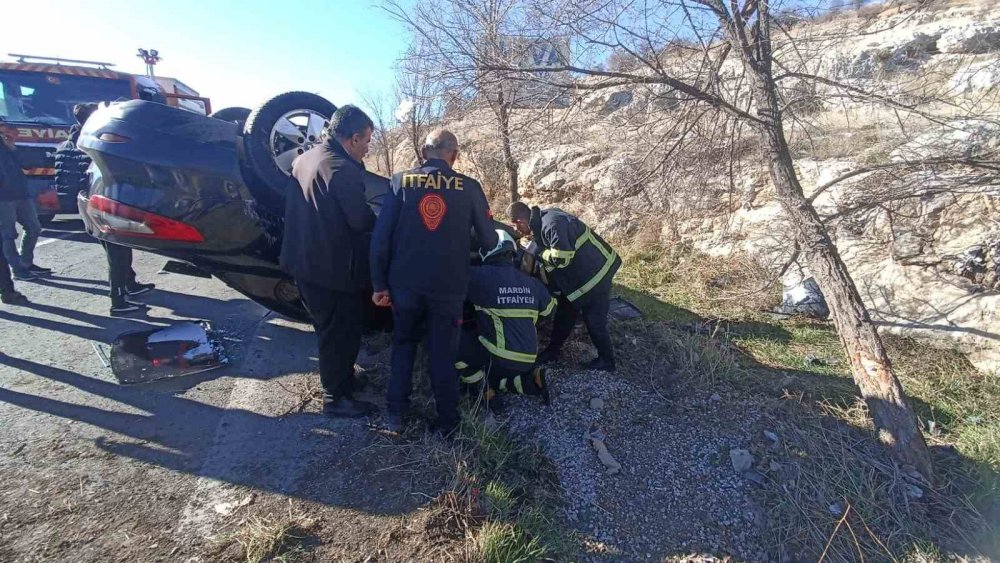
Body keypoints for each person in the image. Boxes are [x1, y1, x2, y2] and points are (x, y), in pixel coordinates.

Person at [370, 129, 498, 436]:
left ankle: (396, 414)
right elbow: (489, 240)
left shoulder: (400, 182)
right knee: (443, 352)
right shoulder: (468, 187)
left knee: (403, 344)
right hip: (448, 287)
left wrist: (379, 284)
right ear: (454, 155)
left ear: (424, 152)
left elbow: (380, 239)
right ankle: (447, 423)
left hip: (405, 285)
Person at [281, 105, 378, 419]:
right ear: (353, 139)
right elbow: (360, 221)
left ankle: (343, 380)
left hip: (305, 262)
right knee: (339, 333)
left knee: (331, 328)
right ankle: (335, 398)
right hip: (331, 270)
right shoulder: (342, 169)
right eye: (366, 141)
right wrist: (384, 223)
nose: (367, 148)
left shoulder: (306, 158)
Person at [55, 103, 154, 316]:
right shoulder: (94, 142)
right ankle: (118, 301)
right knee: (118, 253)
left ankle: (129, 284)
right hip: (101, 203)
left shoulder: (68, 143)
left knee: (117, 249)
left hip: (85, 201)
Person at [508, 202, 621, 371]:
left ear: (520, 222)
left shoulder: (552, 224)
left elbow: (561, 259)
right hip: (580, 277)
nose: (518, 232)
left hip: (597, 274)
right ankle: (553, 351)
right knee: (564, 315)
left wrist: (537, 251)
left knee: (594, 320)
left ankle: (607, 361)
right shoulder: (542, 221)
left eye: (516, 228)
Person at [456, 229, 555, 412]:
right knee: (503, 376)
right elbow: (549, 310)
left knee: (453, 342)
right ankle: (530, 381)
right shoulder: (531, 283)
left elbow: (447, 283)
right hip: (528, 358)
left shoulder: (479, 276)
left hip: (499, 359)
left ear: (486, 251)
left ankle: (484, 392)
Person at [0, 141, 45, 281]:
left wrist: (13, 148)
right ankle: (17, 270)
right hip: (3, 198)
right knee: (7, 234)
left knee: (34, 227)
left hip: (21, 193)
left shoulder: (6, 143)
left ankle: (26, 262)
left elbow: (27, 164)